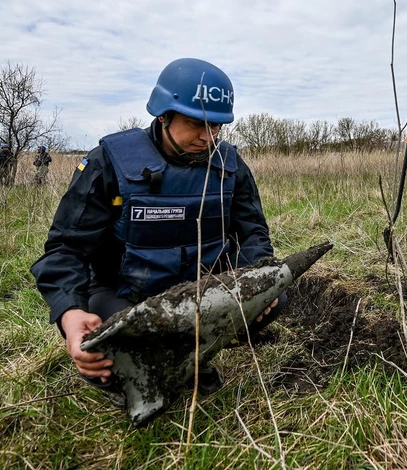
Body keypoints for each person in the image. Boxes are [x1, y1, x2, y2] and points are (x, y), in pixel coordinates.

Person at [30, 58, 283, 403]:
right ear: (163, 115)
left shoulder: (230, 165)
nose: (208, 138)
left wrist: (260, 281)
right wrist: (70, 313)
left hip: (202, 289)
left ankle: (196, 355)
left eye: (217, 128)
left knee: (277, 296)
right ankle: (141, 367)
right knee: (106, 343)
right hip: (126, 294)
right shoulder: (108, 162)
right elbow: (65, 250)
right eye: (196, 124)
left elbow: (251, 235)